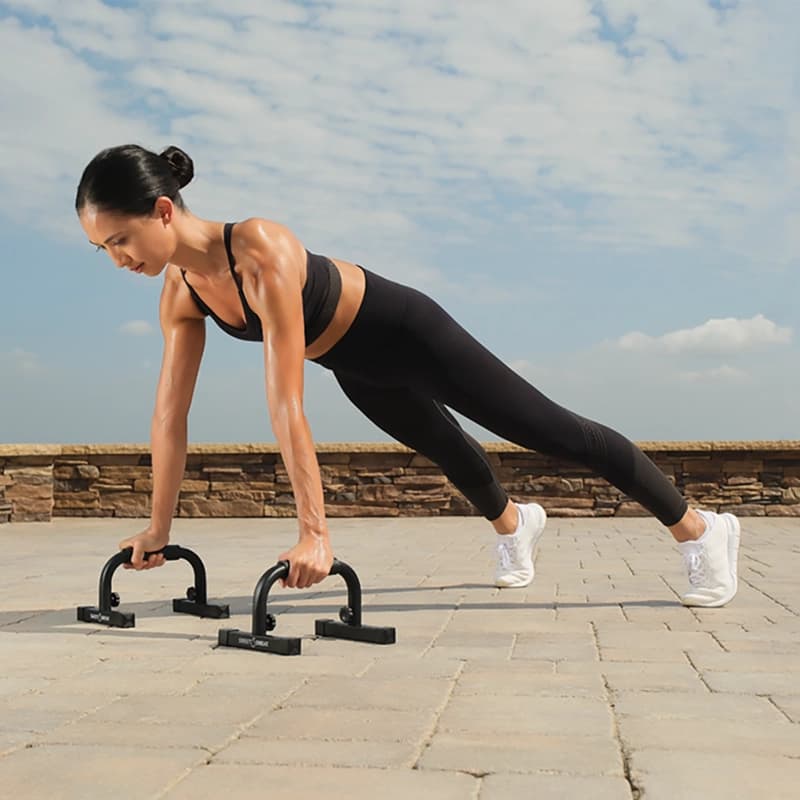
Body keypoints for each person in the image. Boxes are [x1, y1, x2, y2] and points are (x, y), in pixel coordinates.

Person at [75, 144, 740, 608]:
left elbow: (284, 401)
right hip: (355, 365)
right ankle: (516, 527)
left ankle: (702, 531)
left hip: (409, 334)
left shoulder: (259, 247)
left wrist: (316, 531)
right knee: (447, 449)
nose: (115, 261)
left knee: (551, 432)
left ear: (163, 212)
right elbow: (170, 418)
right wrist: (158, 529)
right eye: (101, 250)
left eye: (120, 241)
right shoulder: (181, 294)